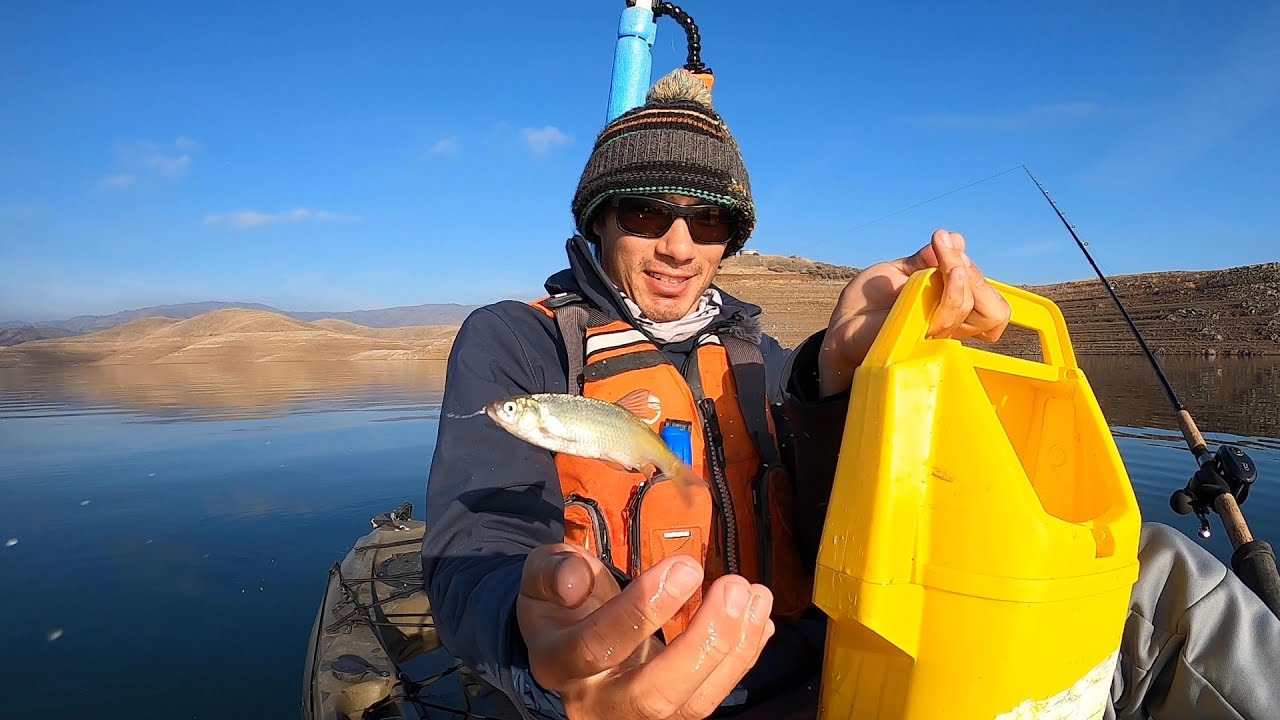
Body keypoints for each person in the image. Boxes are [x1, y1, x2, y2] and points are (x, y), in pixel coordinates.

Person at [422, 69, 1280, 720]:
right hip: (636, 695)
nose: (680, 245)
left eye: (710, 220)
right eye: (646, 211)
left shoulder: (762, 354)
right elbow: (477, 550)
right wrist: (536, 643)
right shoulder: (519, 340)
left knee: (1153, 568)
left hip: (820, 675)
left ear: (732, 239)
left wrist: (841, 370)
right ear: (598, 219)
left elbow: (840, 519)